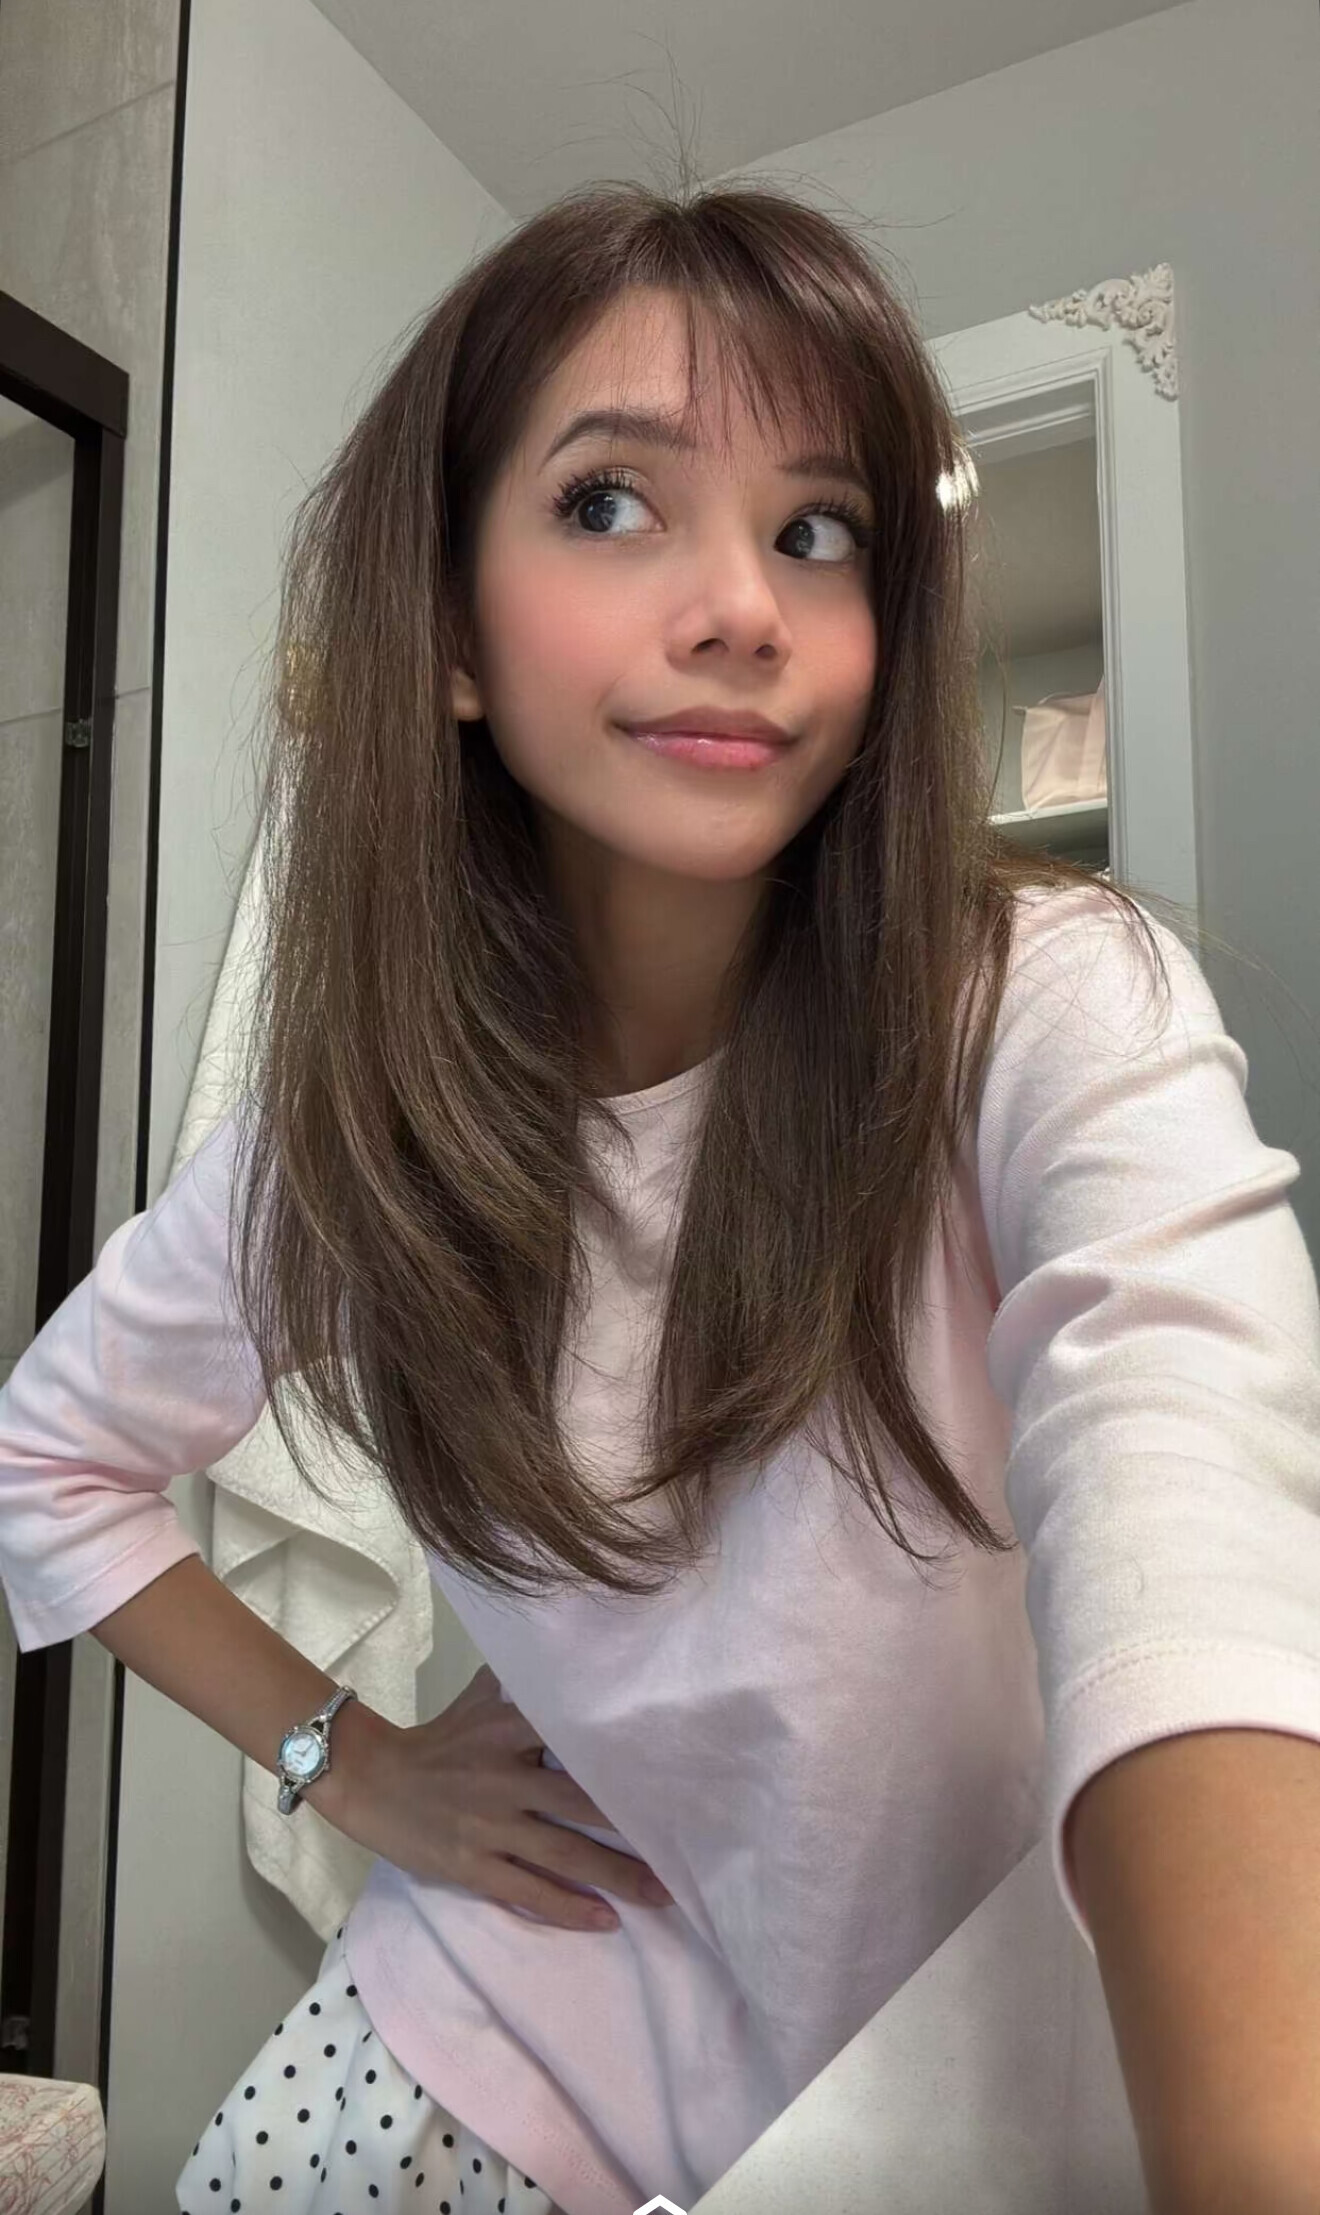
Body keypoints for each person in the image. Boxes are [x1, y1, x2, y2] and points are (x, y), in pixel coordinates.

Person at [2, 169, 1319, 2215]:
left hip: (967, 2089)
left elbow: (1197, 1547)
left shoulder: (1048, 999)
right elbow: (50, 1460)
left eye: (818, 531)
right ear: (451, 632)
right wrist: (350, 1762)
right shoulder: (357, 1146)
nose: (745, 611)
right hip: (509, 2014)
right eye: (613, 502)